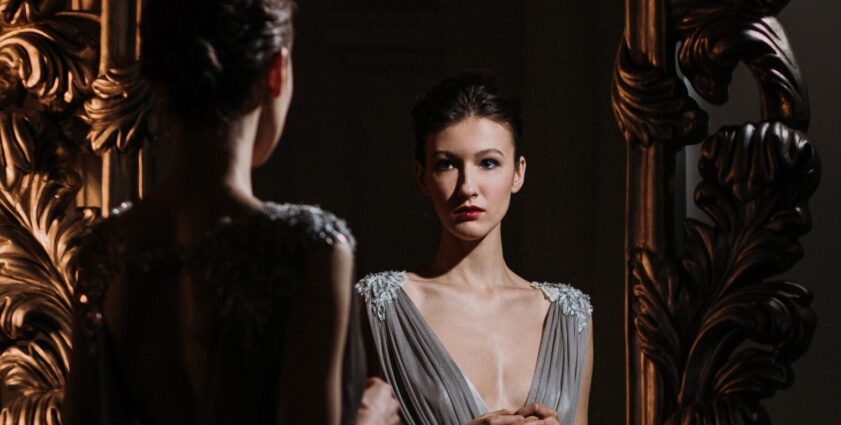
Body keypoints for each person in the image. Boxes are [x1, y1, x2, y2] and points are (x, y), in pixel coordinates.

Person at [61, 1, 399, 424]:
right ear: (276, 71)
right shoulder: (310, 247)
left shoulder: (102, 252)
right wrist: (370, 416)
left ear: (158, 81)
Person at [356, 71, 593, 425]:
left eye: (488, 163)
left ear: (518, 173)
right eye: (447, 164)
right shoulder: (380, 308)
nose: (468, 186)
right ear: (422, 177)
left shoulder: (571, 317)